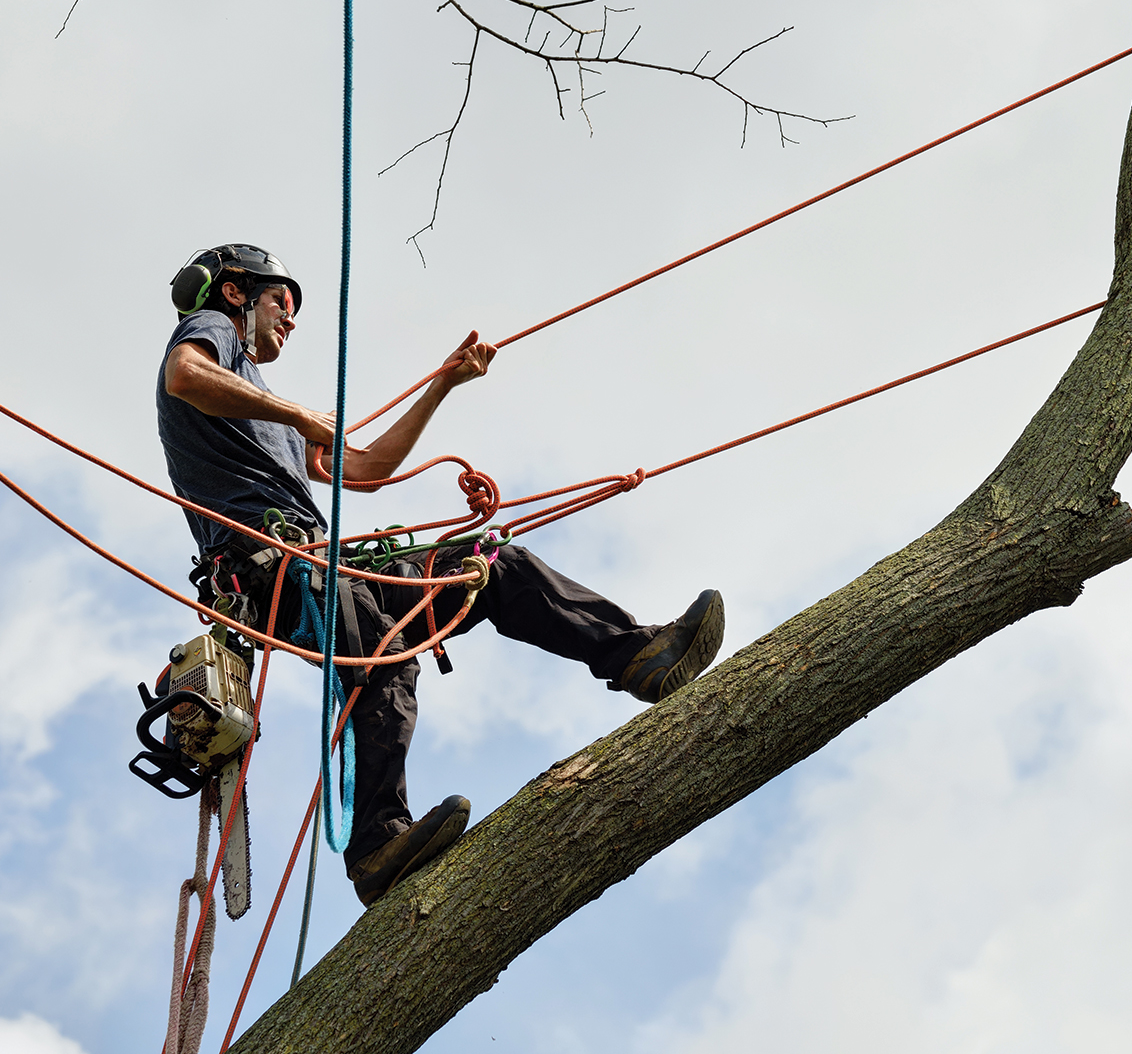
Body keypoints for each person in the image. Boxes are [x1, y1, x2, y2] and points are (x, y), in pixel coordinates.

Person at [155, 244, 725, 905]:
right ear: (235, 293)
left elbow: (366, 469)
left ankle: (637, 656)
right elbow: (184, 375)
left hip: (325, 566)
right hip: (273, 569)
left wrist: (442, 386)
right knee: (380, 658)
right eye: (282, 300)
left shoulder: (264, 404)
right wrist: (303, 416)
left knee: (490, 565)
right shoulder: (214, 337)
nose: (290, 318)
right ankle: (374, 847)